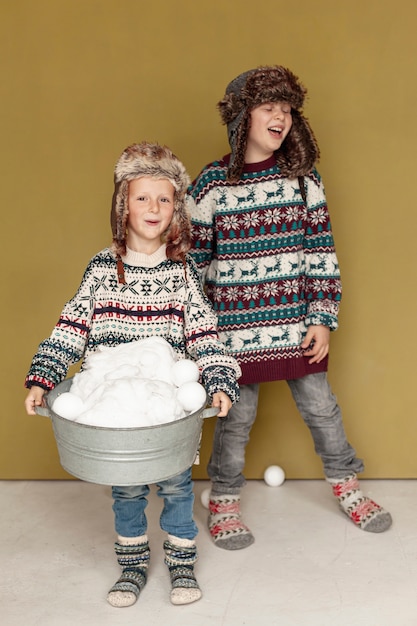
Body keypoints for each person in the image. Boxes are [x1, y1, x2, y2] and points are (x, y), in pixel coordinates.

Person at [24, 142, 241, 605]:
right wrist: (44, 376)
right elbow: (73, 325)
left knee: (177, 484)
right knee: (127, 489)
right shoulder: (103, 269)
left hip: (164, 400)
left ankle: (181, 565)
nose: (153, 207)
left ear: (177, 210)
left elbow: (204, 332)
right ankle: (132, 566)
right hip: (115, 400)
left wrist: (219, 380)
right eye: (142, 197)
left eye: (164, 199)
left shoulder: (182, 272)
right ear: (123, 204)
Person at [187, 65, 392, 551]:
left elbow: (322, 251)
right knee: (235, 420)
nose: (280, 117)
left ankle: (346, 485)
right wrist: (198, 334)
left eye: (286, 109)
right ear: (242, 117)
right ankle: (225, 499)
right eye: (268, 108)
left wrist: (322, 318)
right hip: (233, 335)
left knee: (322, 409)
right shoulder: (213, 185)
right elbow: (193, 262)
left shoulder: (303, 181)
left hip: (297, 325)